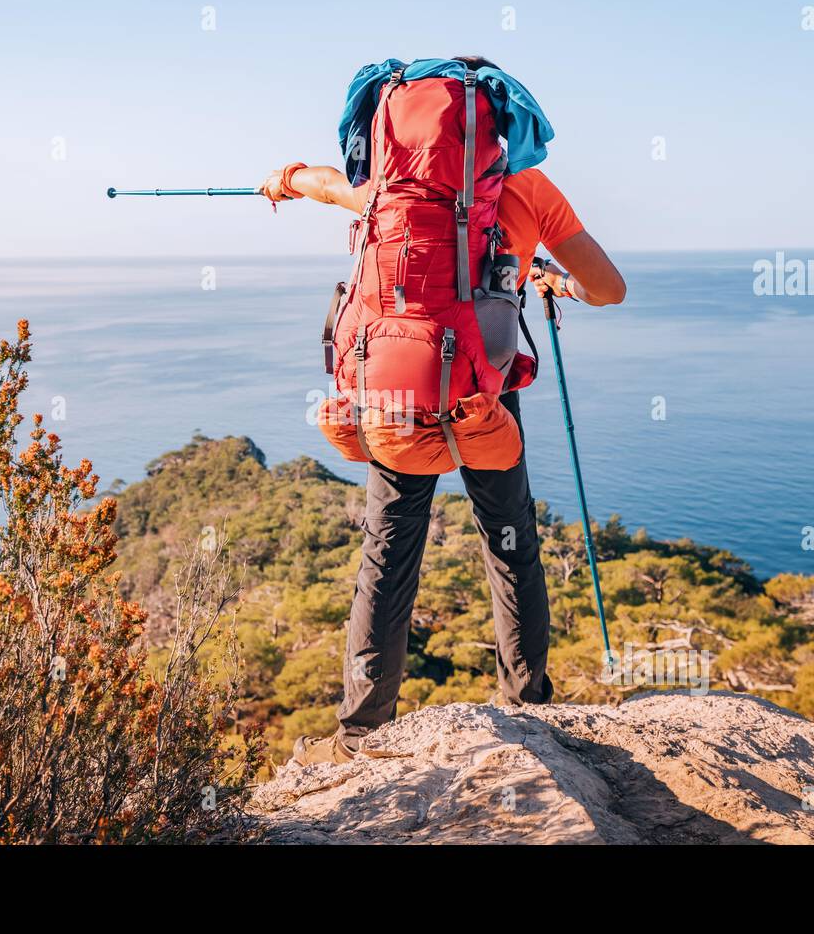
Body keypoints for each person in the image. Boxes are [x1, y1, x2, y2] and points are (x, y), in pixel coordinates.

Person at [258, 57, 625, 765]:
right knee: (510, 539)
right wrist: (550, 281)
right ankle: (526, 704)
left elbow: (322, 185)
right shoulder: (530, 188)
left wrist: (286, 177)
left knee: (388, 548)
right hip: (482, 388)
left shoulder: (386, 189)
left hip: (392, 386)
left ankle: (362, 730)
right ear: (493, 125)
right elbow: (609, 289)